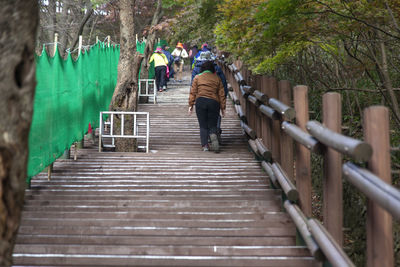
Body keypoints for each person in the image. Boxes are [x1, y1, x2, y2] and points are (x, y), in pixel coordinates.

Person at [188, 61, 226, 152]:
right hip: (214, 102)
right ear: (212, 69)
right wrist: (223, 108)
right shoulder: (217, 78)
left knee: (203, 125)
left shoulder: (197, 78)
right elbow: (221, 94)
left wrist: (191, 105)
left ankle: (205, 145)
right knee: (212, 124)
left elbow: (193, 92)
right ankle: (213, 134)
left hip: (201, 101)